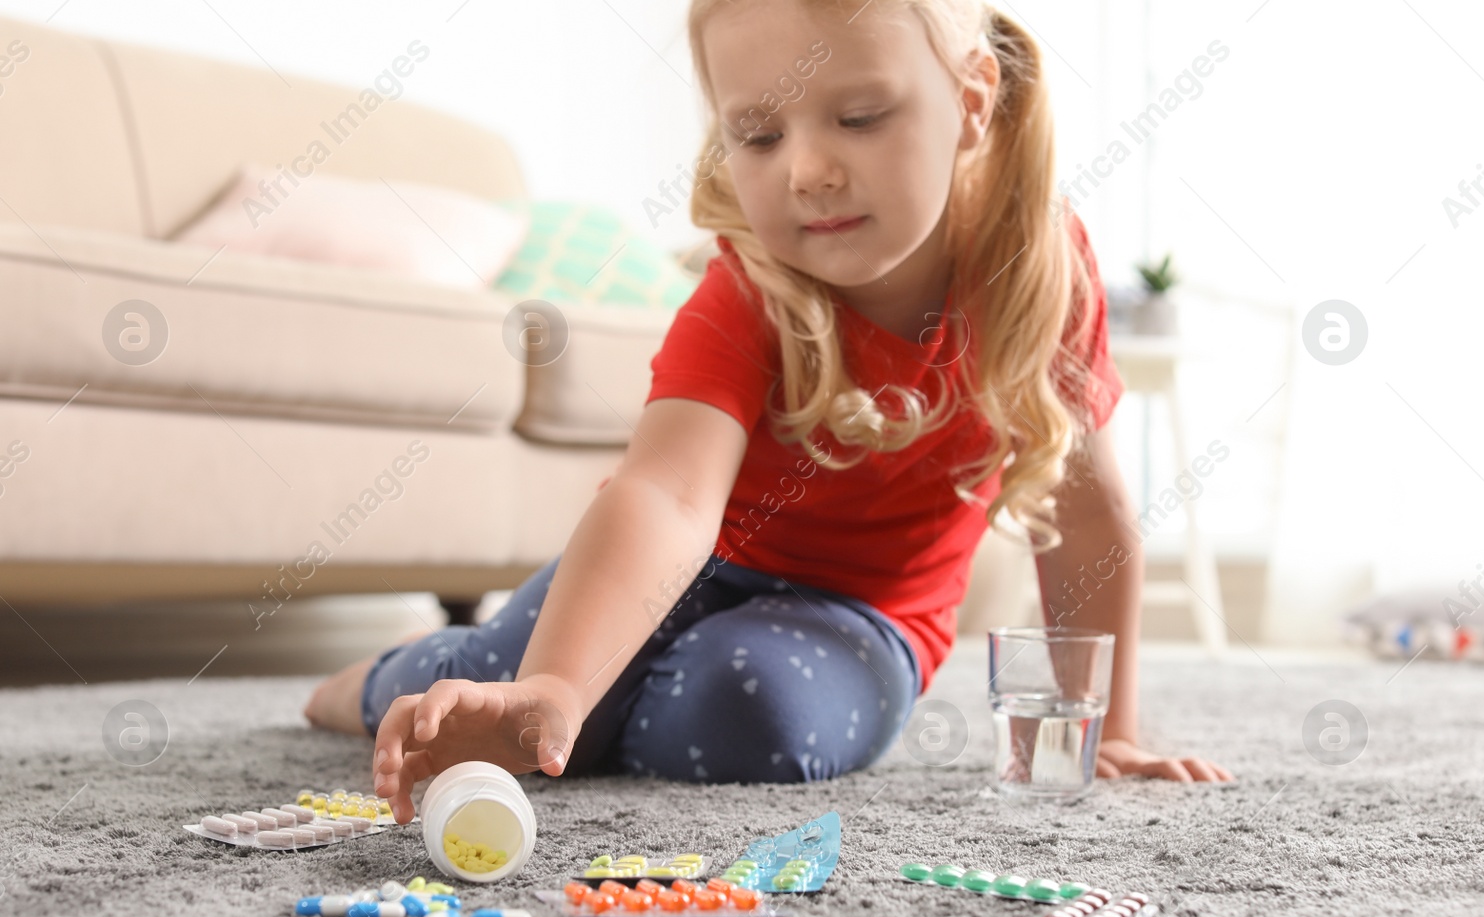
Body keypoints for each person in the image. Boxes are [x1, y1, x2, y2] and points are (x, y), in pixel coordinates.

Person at [305, 0, 1232, 821]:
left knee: (743, 715)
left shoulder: (1038, 269)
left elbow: (1088, 512)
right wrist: (553, 683)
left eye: (860, 117)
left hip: (864, 616)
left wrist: (1111, 728)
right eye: (757, 135)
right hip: (683, 568)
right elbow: (666, 495)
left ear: (973, 99)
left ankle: (601, 693)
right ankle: (389, 673)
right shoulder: (746, 289)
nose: (808, 171)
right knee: (519, 718)